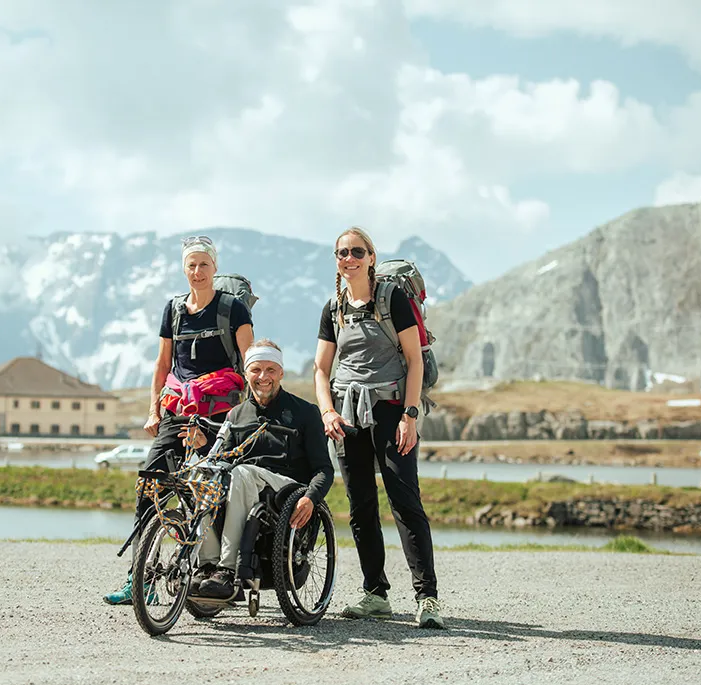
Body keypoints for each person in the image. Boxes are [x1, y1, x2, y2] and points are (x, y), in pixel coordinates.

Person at [104, 234, 254, 605]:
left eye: (204, 264)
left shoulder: (232, 308)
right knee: (151, 485)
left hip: (220, 412)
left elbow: (249, 361)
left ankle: (219, 573)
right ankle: (142, 580)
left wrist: (249, 413)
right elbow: (162, 365)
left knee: (216, 491)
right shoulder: (172, 310)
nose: (198, 271)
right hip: (178, 410)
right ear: (183, 269)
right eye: (191, 265)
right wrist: (154, 409)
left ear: (214, 268)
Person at [313, 226, 445, 629]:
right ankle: (375, 594)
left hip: (391, 410)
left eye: (356, 251)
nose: (348, 258)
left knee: (405, 503)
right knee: (361, 506)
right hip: (347, 415)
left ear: (371, 256)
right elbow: (321, 368)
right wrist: (327, 413)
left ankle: (428, 599)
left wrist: (410, 415)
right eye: (341, 253)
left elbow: (414, 360)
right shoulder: (332, 307)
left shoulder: (393, 299)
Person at [182, 339, 335, 600]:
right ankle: (206, 566)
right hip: (244, 489)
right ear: (246, 374)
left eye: (270, 370)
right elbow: (220, 460)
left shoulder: (306, 413)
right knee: (202, 475)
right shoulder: (235, 416)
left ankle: (227, 571)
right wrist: (202, 448)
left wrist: (311, 497)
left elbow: (324, 469)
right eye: (256, 370)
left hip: (285, 491)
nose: (263, 377)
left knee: (243, 473)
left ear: (281, 373)